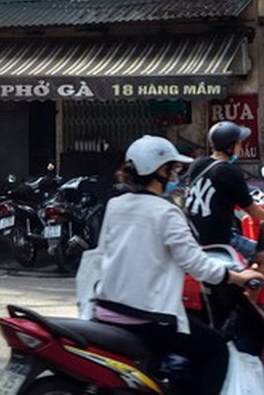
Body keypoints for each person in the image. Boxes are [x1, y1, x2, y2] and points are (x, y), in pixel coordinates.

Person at [91, 135, 263, 395]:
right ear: (160, 171)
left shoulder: (115, 205)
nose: (175, 177)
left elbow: (106, 252)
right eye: (172, 169)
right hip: (146, 318)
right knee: (215, 348)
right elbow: (196, 264)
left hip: (104, 309)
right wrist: (237, 277)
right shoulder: (166, 212)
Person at [185, 120, 264, 263]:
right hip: (221, 240)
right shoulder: (229, 171)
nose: (241, 146)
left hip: (194, 238)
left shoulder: (197, 165)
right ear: (231, 147)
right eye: (239, 143)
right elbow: (254, 212)